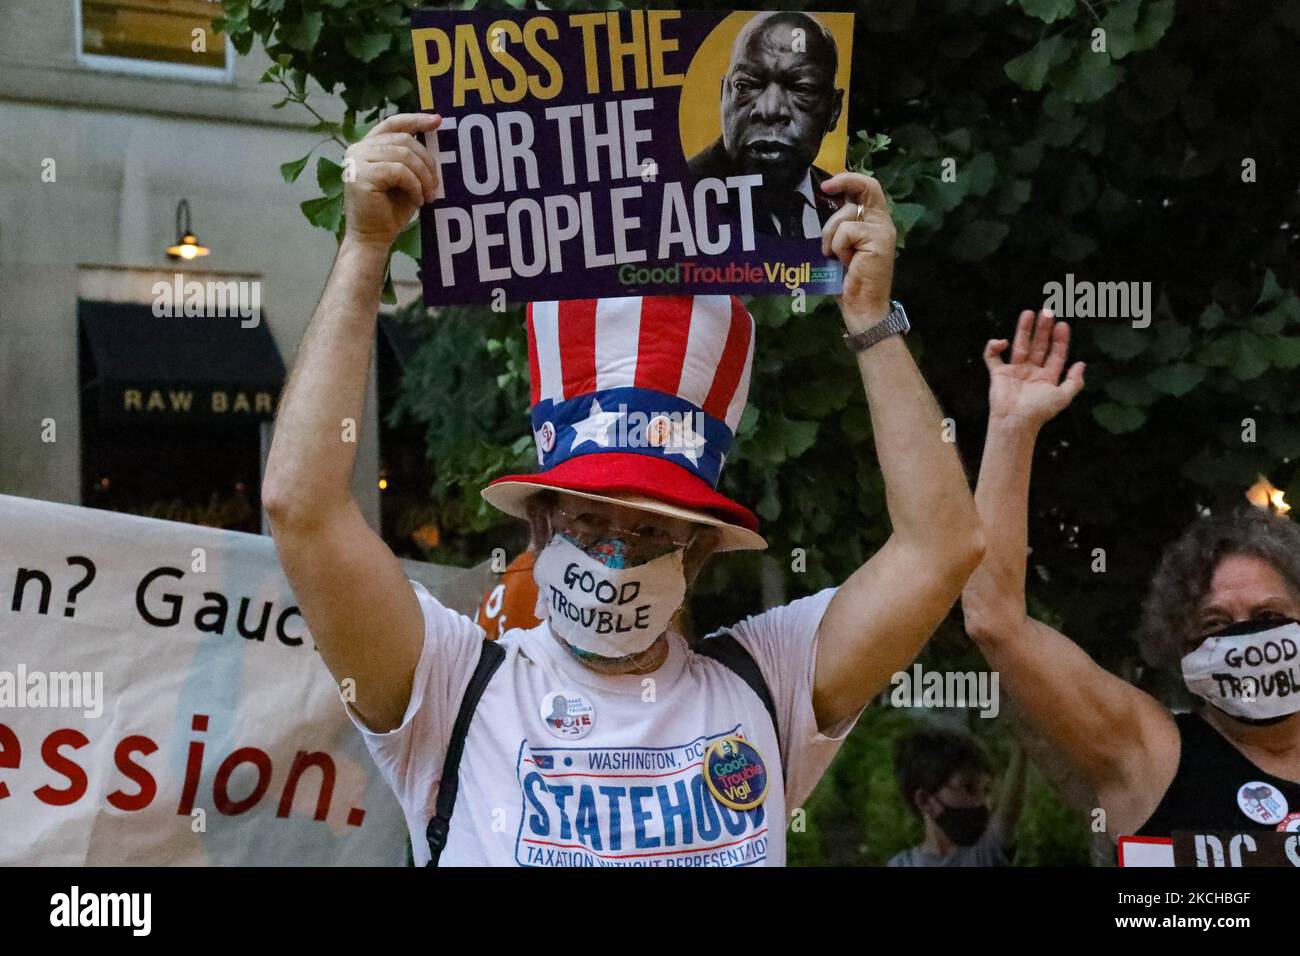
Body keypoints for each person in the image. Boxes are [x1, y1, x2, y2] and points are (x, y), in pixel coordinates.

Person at [263, 112, 983, 866]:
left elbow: (943, 547)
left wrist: (871, 318)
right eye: (586, 518)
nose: (612, 555)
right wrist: (366, 250)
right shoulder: (453, 687)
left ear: (698, 550)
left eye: (648, 530)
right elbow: (300, 507)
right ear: (538, 526)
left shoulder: (766, 684)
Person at [962, 309, 1300, 846]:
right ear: (1181, 644)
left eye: (1269, 617)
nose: (1248, 639)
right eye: (1216, 623)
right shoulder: (1147, 752)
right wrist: (1011, 427)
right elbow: (995, 619)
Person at [686, 12, 844, 239]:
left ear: (834, 110)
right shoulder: (680, 194)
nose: (769, 110)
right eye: (745, 85)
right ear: (724, 95)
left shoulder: (843, 205)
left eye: (802, 89)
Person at [888, 726, 1026, 867]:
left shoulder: (983, 851)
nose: (984, 803)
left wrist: (1020, 751)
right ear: (925, 801)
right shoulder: (902, 864)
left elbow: (1008, 814)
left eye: (986, 790)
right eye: (968, 787)